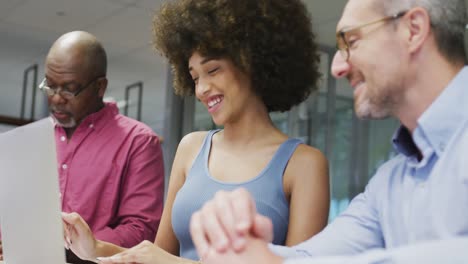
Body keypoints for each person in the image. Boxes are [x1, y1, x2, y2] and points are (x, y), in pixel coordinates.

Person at [188, 0, 468, 263]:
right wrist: (243, 246)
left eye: (351, 41)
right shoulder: (388, 185)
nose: (337, 67)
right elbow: (309, 258)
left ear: (413, 30)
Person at [61, 0, 330, 263]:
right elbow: (155, 257)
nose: (201, 89)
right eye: (195, 77)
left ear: (254, 63)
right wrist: (94, 248)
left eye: (213, 70)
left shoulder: (304, 164)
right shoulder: (192, 147)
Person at [39, 31, 165, 263]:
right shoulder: (37, 137)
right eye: (50, 85)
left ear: (100, 87)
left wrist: (75, 248)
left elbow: (142, 230)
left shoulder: (138, 141)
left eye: (69, 88)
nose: (56, 98)